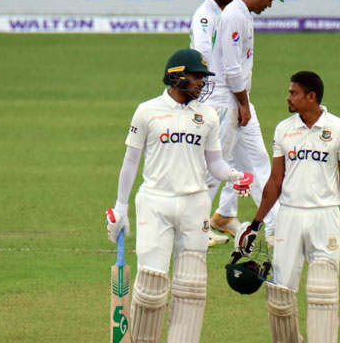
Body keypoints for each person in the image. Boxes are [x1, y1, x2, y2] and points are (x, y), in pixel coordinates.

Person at [105, 48, 254, 343]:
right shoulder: (147, 111)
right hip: (154, 203)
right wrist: (120, 207)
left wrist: (234, 176)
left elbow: (215, 163)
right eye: (197, 77)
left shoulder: (207, 115)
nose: (202, 83)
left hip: (195, 205)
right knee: (150, 288)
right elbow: (131, 161)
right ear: (177, 77)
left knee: (191, 289)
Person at [236, 71, 340, 343]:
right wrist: (255, 224)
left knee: (323, 293)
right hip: (289, 216)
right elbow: (275, 180)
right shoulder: (284, 129)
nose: (288, 97)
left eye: (294, 93)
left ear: (311, 97)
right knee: (280, 294)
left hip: (325, 216)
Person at [204, 0, 283, 243]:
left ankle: (275, 228)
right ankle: (192, 225)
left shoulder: (243, 14)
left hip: (238, 100)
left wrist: (244, 102)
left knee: (259, 161)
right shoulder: (234, 15)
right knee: (214, 168)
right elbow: (231, 68)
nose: (270, 5)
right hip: (226, 103)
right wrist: (243, 104)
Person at [190, 0, 242, 247]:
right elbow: (202, 56)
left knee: (233, 158)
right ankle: (198, 225)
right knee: (213, 162)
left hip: (230, 95)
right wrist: (206, 95)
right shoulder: (205, 16)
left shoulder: (229, 13)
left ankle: (224, 215)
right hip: (214, 96)